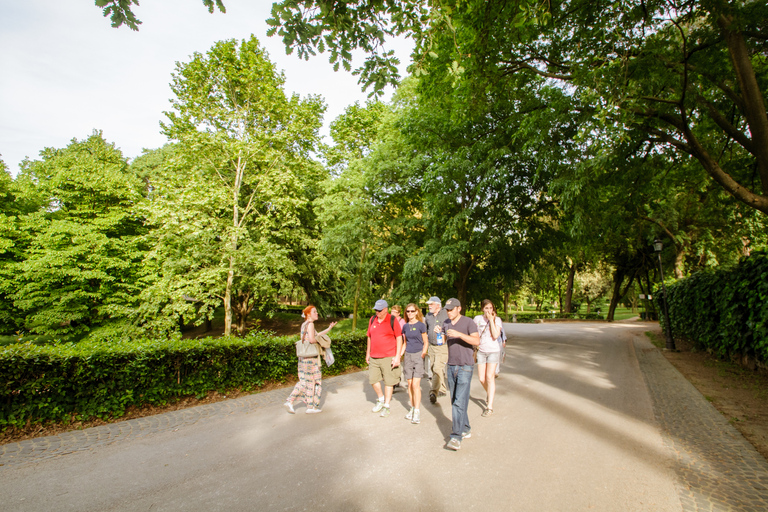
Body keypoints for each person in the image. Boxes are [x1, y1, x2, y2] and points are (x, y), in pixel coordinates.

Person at [439, 298, 479, 451]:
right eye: (447, 309)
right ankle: (466, 427)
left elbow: (477, 341)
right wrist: (440, 334)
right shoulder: (446, 323)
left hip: (465, 366)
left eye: (451, 309)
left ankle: (456, 437)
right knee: (456, 400)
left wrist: (459, 335)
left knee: (458, 402)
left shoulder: (468, 322)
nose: (448, 312)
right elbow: (442, 341)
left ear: (459, 309)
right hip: (451, 365)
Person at [284, 305, 337, 414]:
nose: (316, 313)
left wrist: (329, 328)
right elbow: (313, 340)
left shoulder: (304, 324)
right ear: (308, 314)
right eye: (314, 312)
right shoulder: (311, 324)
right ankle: (294, 402)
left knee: (306, 381)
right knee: (315, 381)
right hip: (311, 359)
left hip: (303, 358)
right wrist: (322, 342)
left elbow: (315, 335)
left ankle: (309, 406)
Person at [366, 299, 403, 417]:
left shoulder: (392, 320)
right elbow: (369, 337)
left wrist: (397, 356)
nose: (377, 312)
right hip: (374, 356)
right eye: (376, 309)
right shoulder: (372, 320)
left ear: (386, 309)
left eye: (379, 310)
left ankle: (386, 405)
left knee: (389, 381)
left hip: (388, 356)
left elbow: (399, 338)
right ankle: (381, 399)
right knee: (373, 379)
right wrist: (367, 353)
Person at [474, 299, 503, 417]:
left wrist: (491, 320)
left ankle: (489, 406)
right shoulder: (477, 319)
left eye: (491, 308)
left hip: (493, 351)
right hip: (481, 350)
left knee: (489, 377)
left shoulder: (498, 320)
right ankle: (489, 393)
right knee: (481, 378)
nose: (489, 310)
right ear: (482, 309)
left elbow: (496, 335)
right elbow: (474, 333)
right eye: (486, 308)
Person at [401, 303, 428, 424]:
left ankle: (417, 411)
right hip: (407, 355)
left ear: (417, 312)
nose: (410, 313)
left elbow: (425, 342)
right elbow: (405, 343)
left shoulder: (421, 325)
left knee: (416, 385)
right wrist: (398, 356)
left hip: (418, 355)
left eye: (412, 311)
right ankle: (412, 408)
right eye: (408, 311)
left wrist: (422, 354)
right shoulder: (405, 326)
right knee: (410, 384)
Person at [424, 296, 449, 404]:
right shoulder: (428, 316)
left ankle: (433, 392)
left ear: (438, 305)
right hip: (431, 346)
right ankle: (442, 389)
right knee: (434, 367)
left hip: (442, 346)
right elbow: (425, 330)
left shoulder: (445, 314)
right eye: (429, 304)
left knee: (438, 368)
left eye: (431, 304)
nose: (429, 306)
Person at [391, 304, 408, 390]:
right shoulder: (390, 320)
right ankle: (395, 379)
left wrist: (404, 344)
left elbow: (404, 334)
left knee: (397, 359)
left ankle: (396, 379)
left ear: (399, 313)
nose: (393, 313)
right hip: (391, 343)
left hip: (399, 343)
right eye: (392, 311)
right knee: (392, 360)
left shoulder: (402, 321)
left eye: (395, 312)